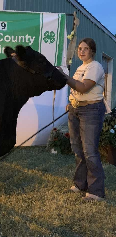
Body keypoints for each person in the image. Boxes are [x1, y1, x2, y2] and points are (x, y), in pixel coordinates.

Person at [59, 38, 106, 201]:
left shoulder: (96, 67)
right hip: (76, 110)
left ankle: (96, 191)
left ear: (92, 51)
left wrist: (64, 77)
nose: (82, 51)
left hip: (91, 110)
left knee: (90, 151)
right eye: (80, 48)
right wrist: (71, 102)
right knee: (77, 148)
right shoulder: (80, 68)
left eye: (86, 48)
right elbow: (76, 90)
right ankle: (80, 184)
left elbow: (84, 87)